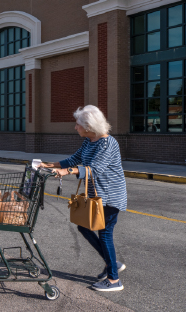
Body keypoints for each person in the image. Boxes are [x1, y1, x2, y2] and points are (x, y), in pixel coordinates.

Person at [39, 105, 127, 292]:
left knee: (104, 234)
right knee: (83, 226)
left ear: (89, 126)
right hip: (97, 195)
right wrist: (48, 165)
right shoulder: (89, 141)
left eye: (77, 124)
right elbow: (74, 159)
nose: (75, 127)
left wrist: (66, 172)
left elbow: (95, 169)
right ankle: (111, 262)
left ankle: (114, 280)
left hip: (111, 196)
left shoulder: (107, 143)